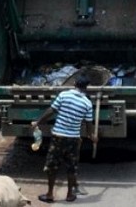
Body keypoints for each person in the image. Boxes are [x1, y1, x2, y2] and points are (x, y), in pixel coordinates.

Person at [31, 75, 98, 203]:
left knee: (52, 165)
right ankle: (69, 195)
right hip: (73, 139)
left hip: (58, 137)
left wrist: (38, 122)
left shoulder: (63, 95)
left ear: (74, 84)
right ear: (86, 88)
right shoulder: (87, 103)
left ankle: (50, 194)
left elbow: (51, 110)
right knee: (71, 167)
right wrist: (93, 137)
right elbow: (89, 125)